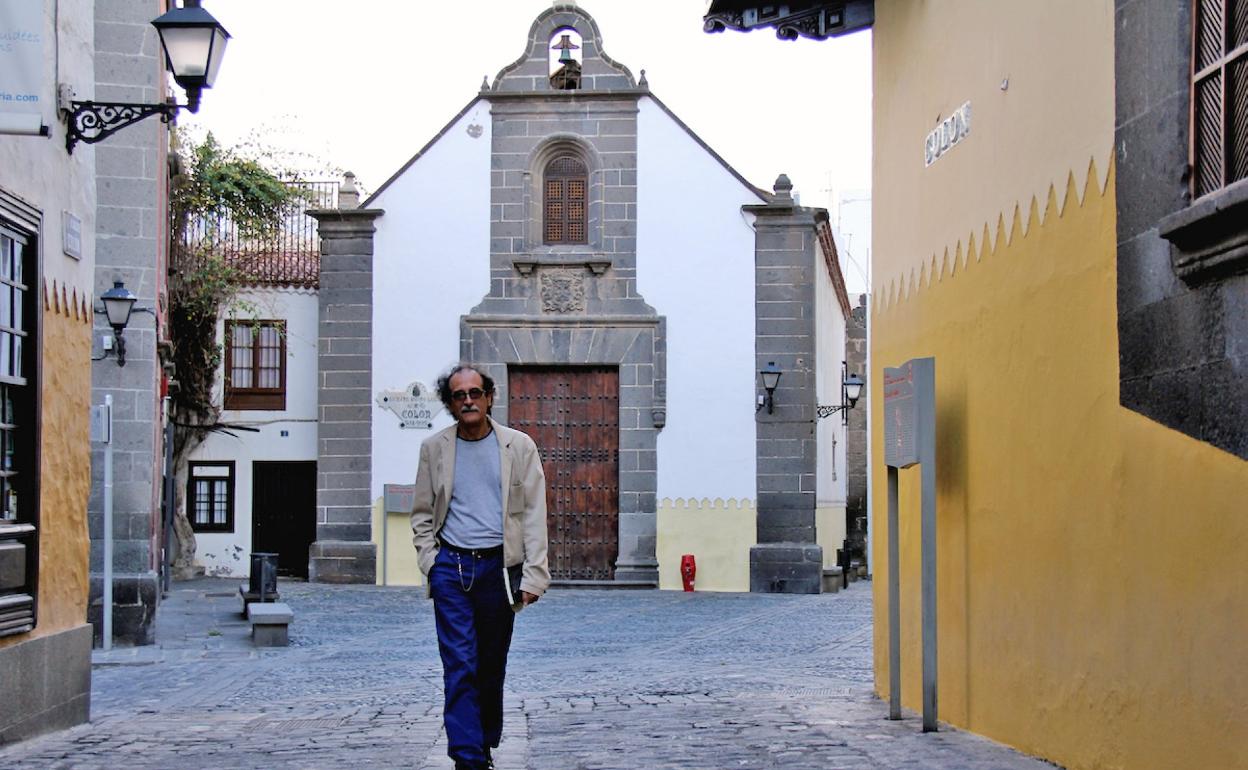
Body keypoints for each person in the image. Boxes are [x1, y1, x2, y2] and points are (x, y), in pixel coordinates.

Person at [411, 363, 550, 770]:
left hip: (498, 570)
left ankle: (484, 740)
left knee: (490, 664)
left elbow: (534, 513)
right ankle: (468, 757)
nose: (468, 400)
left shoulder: (518, 447)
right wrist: (430, 561)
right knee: (459, 664)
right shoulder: (434, 449)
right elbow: (422, 512)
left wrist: (535, 573)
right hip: (451, 567)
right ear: (450, 404)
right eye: (459, 395)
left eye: (475, 392)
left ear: (489, 396)